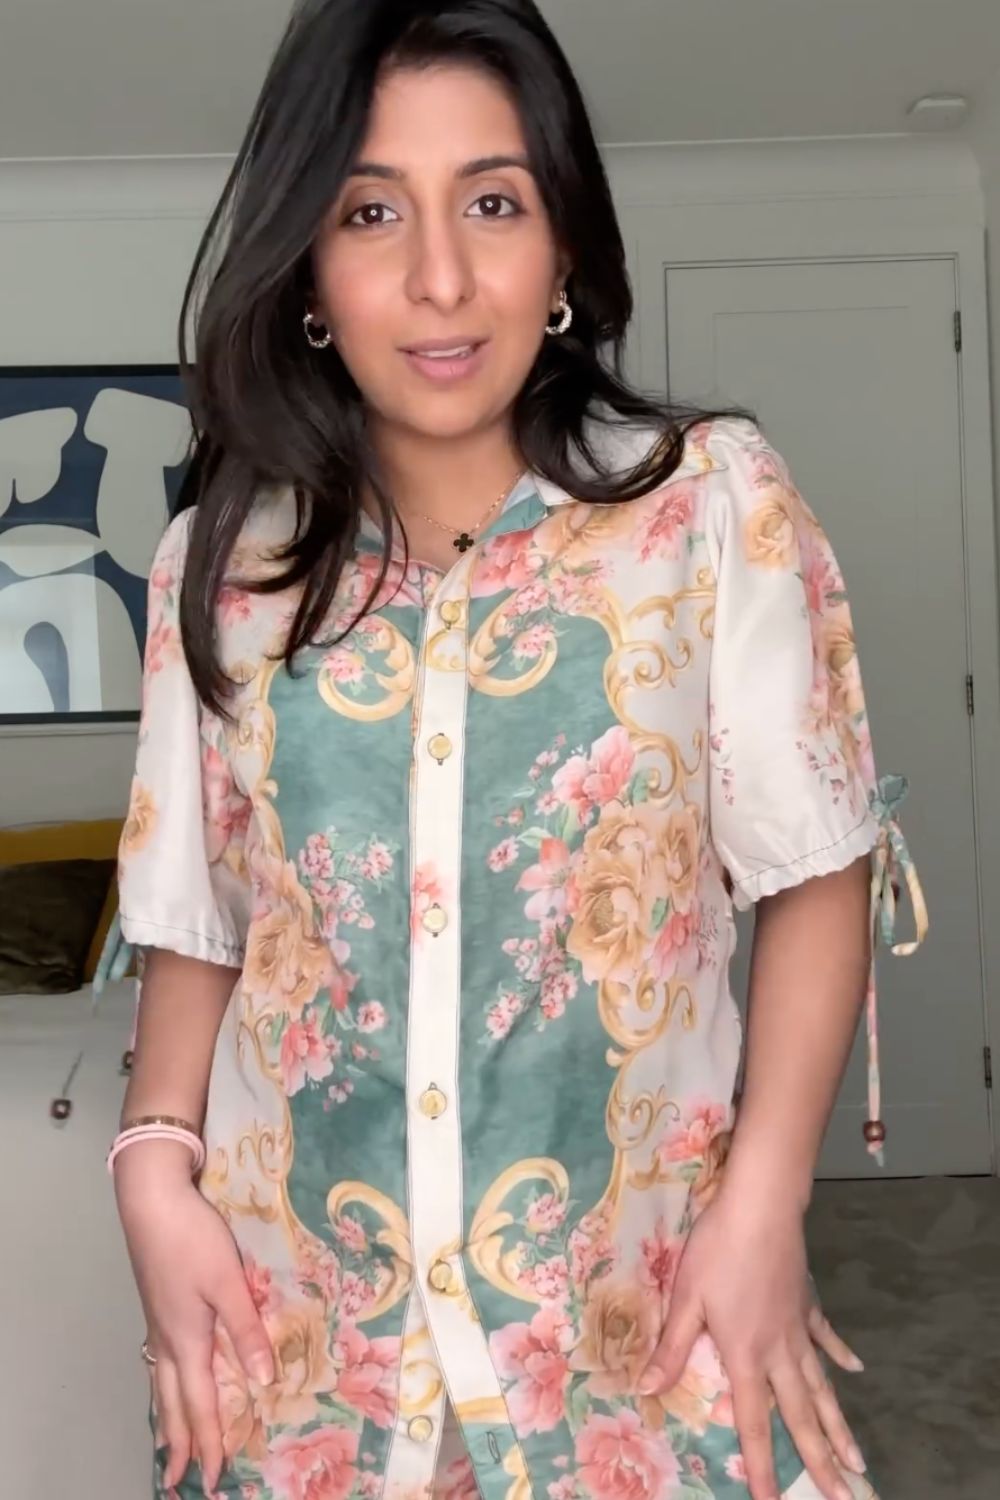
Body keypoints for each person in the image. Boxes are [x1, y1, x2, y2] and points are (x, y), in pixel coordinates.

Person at [105, 3, 924, 1499]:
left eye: (493, 202)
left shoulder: (706, 510)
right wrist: (151, 1171)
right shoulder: (218, 569)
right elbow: (200, 919)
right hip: (303, 1358)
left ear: (561, 253)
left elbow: (815, 869)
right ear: (307, 273)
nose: (440, 277)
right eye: (370, 213)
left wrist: (765, 1205)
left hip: (645, 1321)